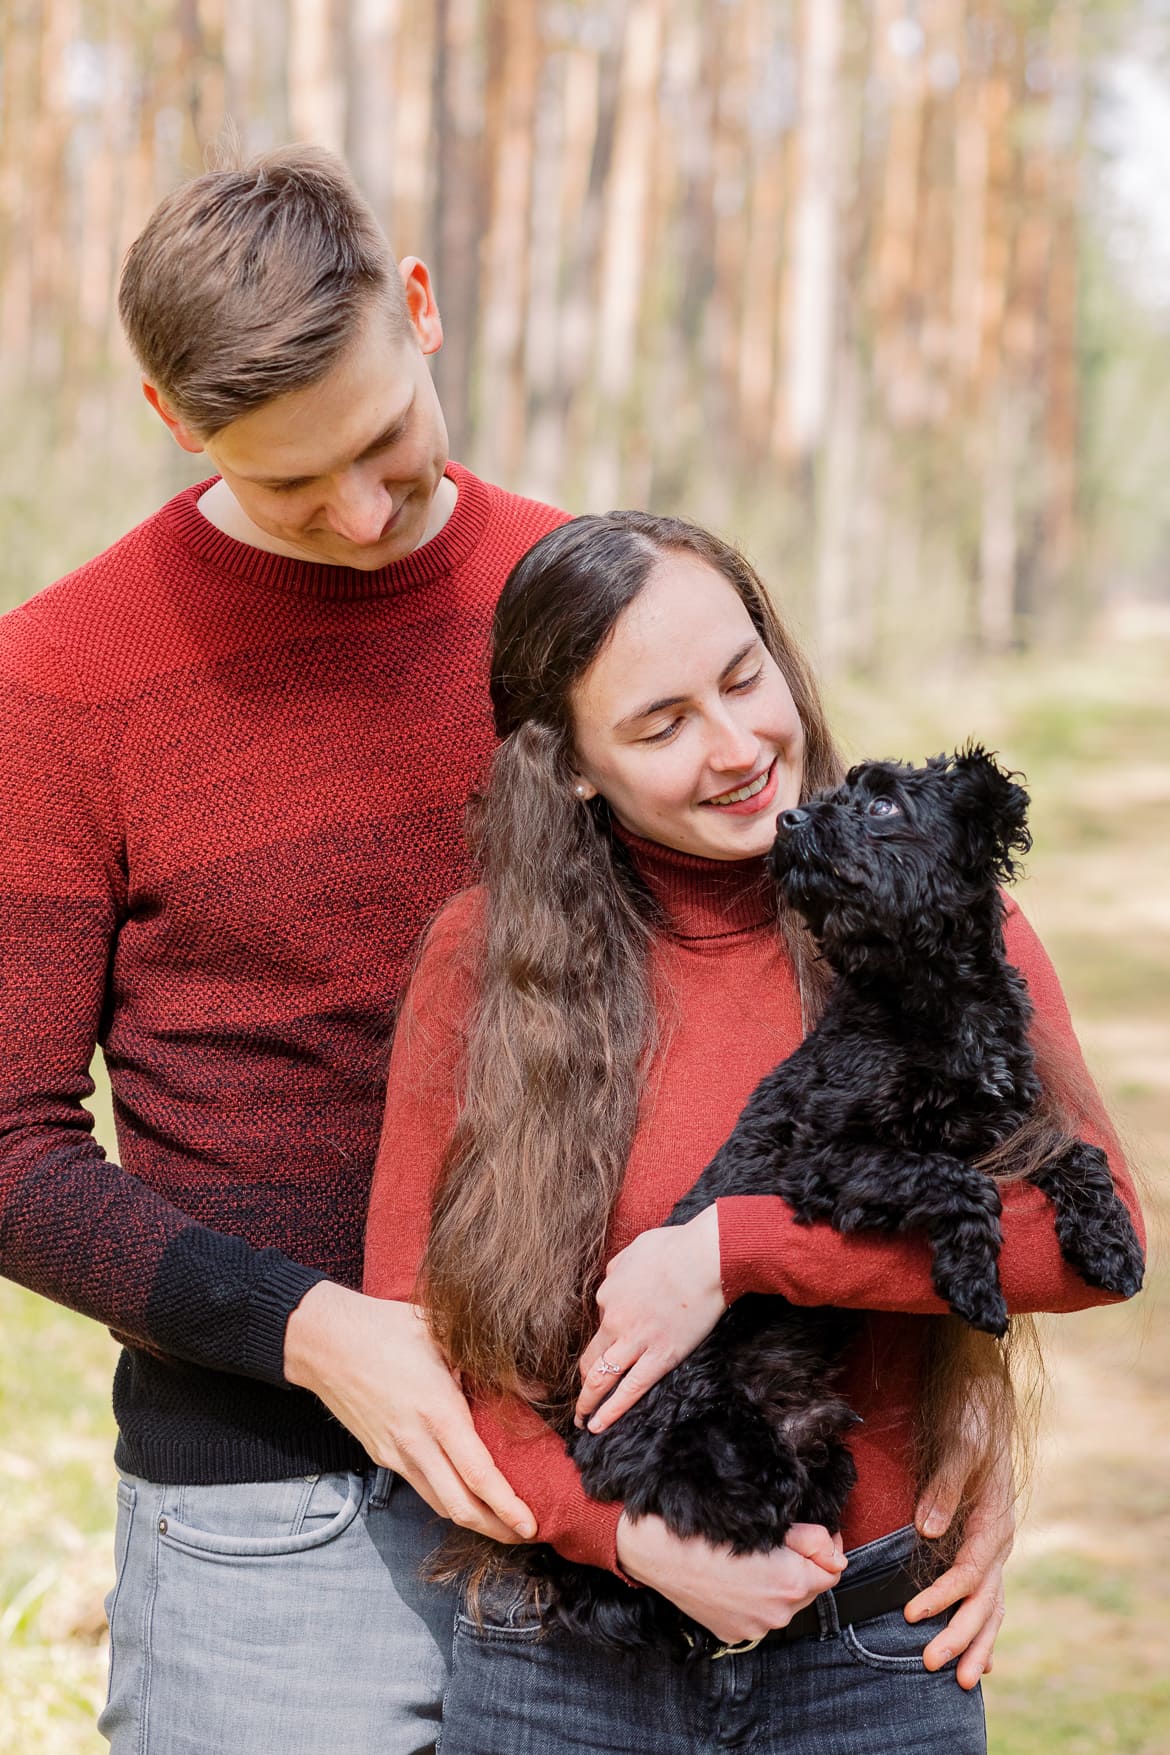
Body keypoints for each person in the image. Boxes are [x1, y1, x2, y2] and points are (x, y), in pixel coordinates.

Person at [363, 511, 1145, 1755]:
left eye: (743, 679)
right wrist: (619, 1534)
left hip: (872, 1655)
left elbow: (1084, 1244)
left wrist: (735, 1251)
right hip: (563, 1668)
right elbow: (418, 1339)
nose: (738, 749)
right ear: (570, 764)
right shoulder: (482, 962)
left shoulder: (935, 909)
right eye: (663, 724)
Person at [0, 144, 569, 1755]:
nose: (363, 512)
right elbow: (7, 1145)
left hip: (618, 1484)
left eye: (384, 442)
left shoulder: (594, 599)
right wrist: (316, 1332)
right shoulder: (59, 677)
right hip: (265, 1528)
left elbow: (783, 1013)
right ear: (175, 422)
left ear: (420, 306)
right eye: (290, 481)